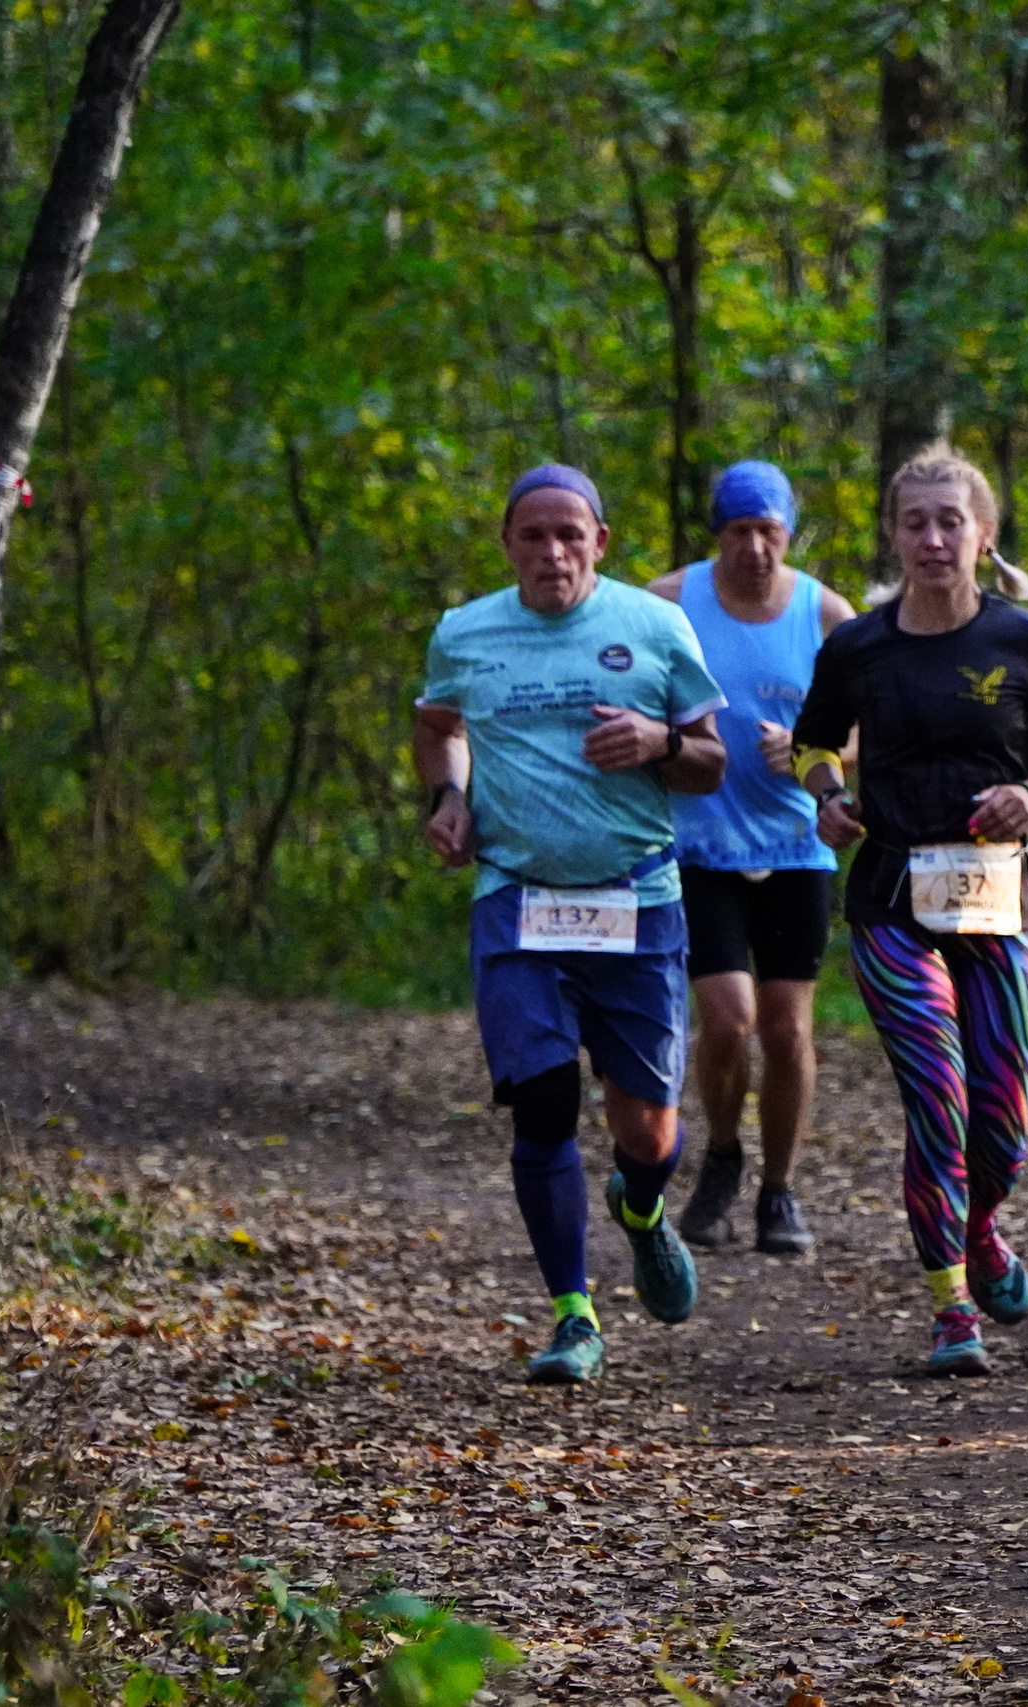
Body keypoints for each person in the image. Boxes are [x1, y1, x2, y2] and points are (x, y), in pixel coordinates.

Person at [791, 441, 1028, 1377]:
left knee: (1001, 1118)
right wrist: (827, 794)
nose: (933, 539)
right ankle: (950, 1309)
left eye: (950, 521)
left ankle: (983, 1228)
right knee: (937, 1097)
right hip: (892, 897)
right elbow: (815, 742)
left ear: (983, 535)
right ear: (893, 535)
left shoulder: (1027, 639)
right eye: (915, 522)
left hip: (1001, 898)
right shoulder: (858, 645)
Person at [414, 463, 730, 1386]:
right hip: (517, 895)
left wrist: (659, 741)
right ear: (507, 544)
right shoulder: (466, 632)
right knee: (544, 1102)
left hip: (636, 897)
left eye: (569, 534)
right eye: (532, 536)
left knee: (648, 1130)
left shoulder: (656, 626)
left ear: (601, 540)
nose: (551, 551)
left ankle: (641, 1211)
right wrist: (449, 796)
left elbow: (712, 761)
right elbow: (439, 725)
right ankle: (573, 1314)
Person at [645, 462, 857, 1255]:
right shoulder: (669, 600)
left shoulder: (825, 612)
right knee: (728, 1021)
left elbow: (863, 722)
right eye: (740, 531)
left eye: (770, 531)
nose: (756, 548)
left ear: (789, 533)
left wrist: (811, 750)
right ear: (718, 534)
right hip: (698, 842)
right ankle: (723, 1155)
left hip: (797, 846)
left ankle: (779, 1188)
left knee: (786, 1026)